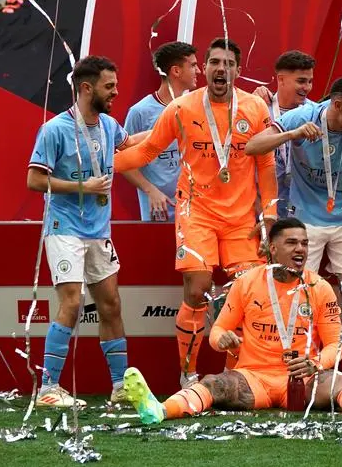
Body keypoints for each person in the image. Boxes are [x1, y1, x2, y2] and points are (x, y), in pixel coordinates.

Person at [121, 217, 342, 423]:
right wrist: (222, 339)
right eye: (292, 243)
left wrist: (316, 364)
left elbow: (335, 346)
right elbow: (219, 332)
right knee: (214, 383)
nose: (301, 249)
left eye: (304, 243)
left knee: (339, 381)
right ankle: (157, 410)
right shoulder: (248, 282)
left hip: (304, 378)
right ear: (272, 248)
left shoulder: (320, 287)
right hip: (254, 377)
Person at [114, 38, 278, 385]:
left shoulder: (255, 108)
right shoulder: (181, 107)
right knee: (197, 288)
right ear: (204, 68)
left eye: (229, 63)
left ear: (238, 69)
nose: (221, 69)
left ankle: (241, 374)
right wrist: (103, 166)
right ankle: (188, 374)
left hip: (242, 217)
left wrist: (270, 214)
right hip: (197, 212)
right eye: (215, 62)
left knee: (246, 293)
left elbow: (265, 164)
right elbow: (147, 152)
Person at [246, 76, 342, 379]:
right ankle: (297, 368)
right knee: (298, 290)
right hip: (305, 220)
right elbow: (252, 146)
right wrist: (293, 134)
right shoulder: (301, 117)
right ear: (338, 104)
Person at [27, 56, 133, 408]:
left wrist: (174, 123)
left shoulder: (109, 125)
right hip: (64, 228)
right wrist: (83, 187)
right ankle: (48, 389)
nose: (116, 92)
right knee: (72, 302)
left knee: (111, 304)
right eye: (109, 86)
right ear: (86, 88)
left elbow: (130, 145)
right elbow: (34, 180)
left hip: (98, 229)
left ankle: (120, 386)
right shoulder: (55, 129)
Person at [123, 41, 198, 223]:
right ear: (176, 71)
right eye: (193, 65)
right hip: (159, 216)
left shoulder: (197, 109)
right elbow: (124, 161)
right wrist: (150, 190)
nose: (199, 71)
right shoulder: (140, 112)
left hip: (195, 216)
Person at [263, 50, 316, 218]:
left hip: (304, 210)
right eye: (301, 81)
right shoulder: (261, 109)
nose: (306, 87)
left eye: (309, 81)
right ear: (281, 79)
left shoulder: (316, 113)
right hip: (264, 207)